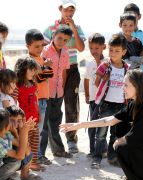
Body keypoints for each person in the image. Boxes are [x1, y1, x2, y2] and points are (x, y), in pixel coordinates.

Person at [43, 0, 86, 154]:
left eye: (72, 10)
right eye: (67, 9)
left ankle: (71, 140)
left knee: (71, 105)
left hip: (72, 69)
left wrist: (73, 27)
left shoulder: (78, 28)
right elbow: (44, 49)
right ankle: (51, 140)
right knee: (52, 106)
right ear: (60, 9)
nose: (69, 13)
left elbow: (81, 48)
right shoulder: (50, 29)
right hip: (53, 71)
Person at [90, 34, 129, 169]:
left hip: (121, 106)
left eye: (117, 51)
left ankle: (113, 157)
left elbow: (129, 86)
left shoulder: (127, 68)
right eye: (111, 50)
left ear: (124, 52)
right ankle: (96, 158)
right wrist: (105, 79)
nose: (113, 53)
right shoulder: (105, 65)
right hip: (106, 104)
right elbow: (96, 82)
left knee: (115, 133)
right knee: (101, 134)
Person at [40, 26, 73, 159]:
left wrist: (63, 89)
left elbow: (64, 71)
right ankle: (40, 154)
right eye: (59, 38)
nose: (61, 42)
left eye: (65, 40)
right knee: (43, 124)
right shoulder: (45, 51)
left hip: (58, 92)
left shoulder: (65, 52)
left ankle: (58, 150)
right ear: (54, 35)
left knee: (55, 122)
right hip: (46, 91)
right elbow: (39, 70)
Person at [25, 29, 53, 165]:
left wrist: (45, 67)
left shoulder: (40, 59)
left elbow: (49, 74)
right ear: (28, 46)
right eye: (36, 46)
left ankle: (37, 155)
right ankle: (34, 156)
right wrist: (45, 67)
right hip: (36, 100)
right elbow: (40, 78)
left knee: (40, 129)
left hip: (43, 98)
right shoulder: (29, 61)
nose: (40, 48)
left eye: (42, 45)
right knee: (36, 129)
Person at [15, 57, 45, 171]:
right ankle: (25, 165)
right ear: (23, 70)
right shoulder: (18, 86)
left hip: (34, 119)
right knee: (25, 144)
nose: (33, 73)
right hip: (24, 121)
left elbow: (35, 101)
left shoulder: (33, 84)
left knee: (35, 141)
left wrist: (39, 114)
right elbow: (14, 103)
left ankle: (34, 163)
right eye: (31, 70)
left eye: (34, 70)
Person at [0, 108, 39, 180]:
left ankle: (24, 175)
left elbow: (26, 150)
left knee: (22, 153)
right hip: (5, 161)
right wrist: (24, 133)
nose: (14, 124)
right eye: (11, 121)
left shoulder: (6, 134)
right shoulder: (2, 138)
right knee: (16, 161)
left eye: (19, 120)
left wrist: (21, 132)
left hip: (5, 160)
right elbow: (20, 156)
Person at [84, 33, 106, 158]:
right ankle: (93, 150)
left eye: (97, 48)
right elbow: (86, 79)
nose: (94, 51)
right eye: (91, 48)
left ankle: (103, 149)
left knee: (102, 125)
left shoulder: (107, 63)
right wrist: (87, 95)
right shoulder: (90, 64)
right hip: (93, 100)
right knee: (92, 125)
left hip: (105, 99)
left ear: (104, 47)